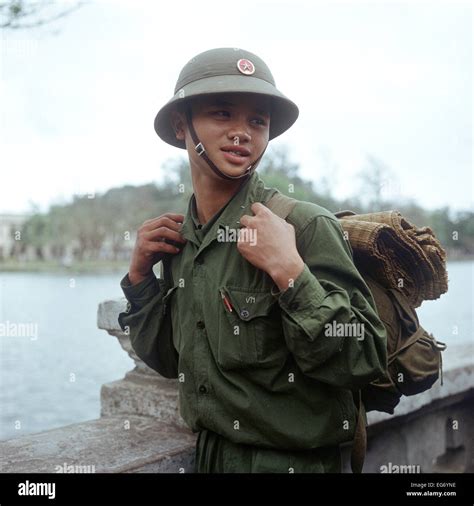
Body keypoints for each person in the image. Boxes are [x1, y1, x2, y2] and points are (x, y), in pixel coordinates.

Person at [118, 47, 387, 473]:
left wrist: (291, 273)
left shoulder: (303, 226)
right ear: (180, 124)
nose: (242, 132)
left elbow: (367, 357)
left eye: (257, 121)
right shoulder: (182, 242)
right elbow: (173, 363)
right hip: (210, 458)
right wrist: (139, 279)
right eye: (222, 114)